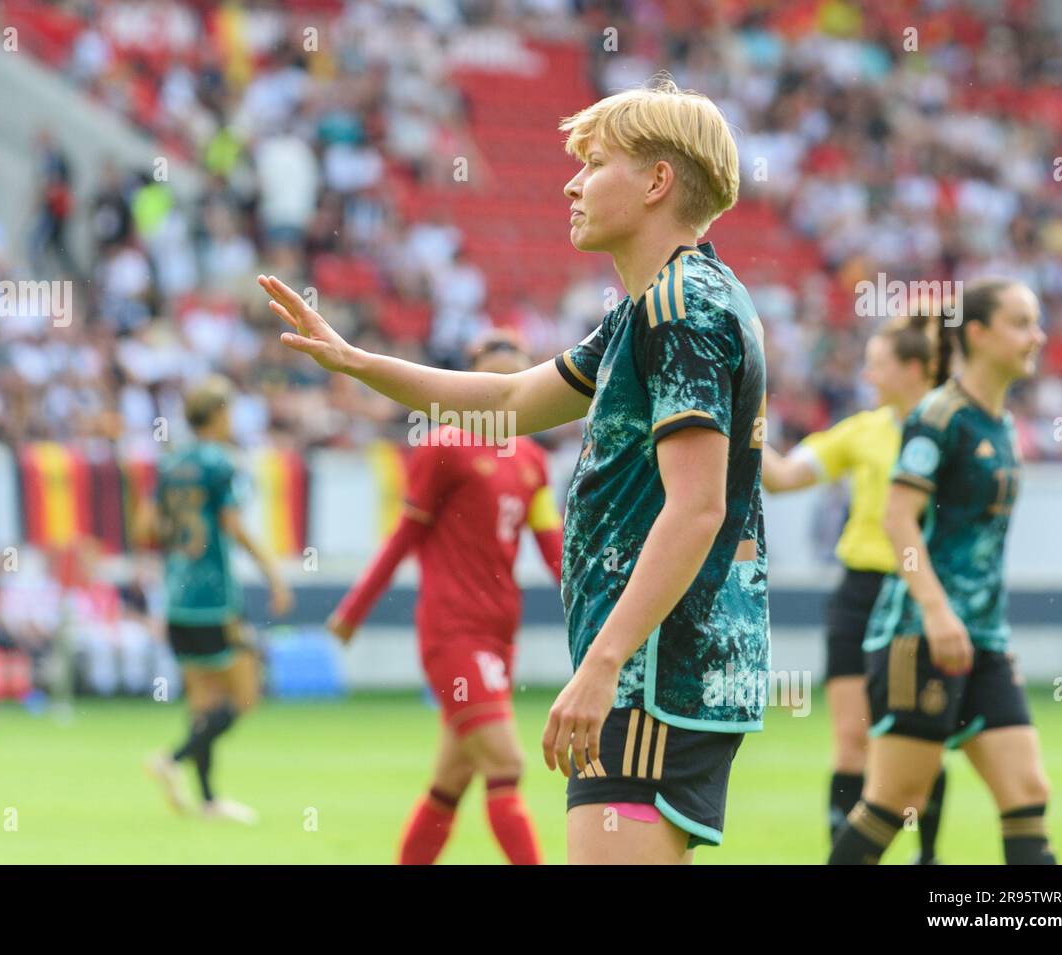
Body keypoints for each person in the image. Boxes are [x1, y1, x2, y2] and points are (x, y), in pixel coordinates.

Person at [259, 76, 767, 864]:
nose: (571, 181)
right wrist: (358, 362)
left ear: (658, 180)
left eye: (595, 163)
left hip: (651, 670)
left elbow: (696, 507)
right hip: (663, 662)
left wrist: (604, 665)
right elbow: (508, 396)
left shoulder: (679, 308)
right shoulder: (656, 307)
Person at [829, 278, 1056, 864]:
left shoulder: (1001, 423)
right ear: (976, 334)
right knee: (893, 800)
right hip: (919, 635)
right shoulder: (940, 416)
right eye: (1021, 323)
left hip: (983, 639)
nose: (1038, 336)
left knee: (1027, 794)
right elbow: (898, 522)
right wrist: (935, 609)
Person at [327, 330, 563, 865]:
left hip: (501, 633)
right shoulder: (444, 445)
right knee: (506, 763)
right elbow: (404, 537)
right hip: (452, 631)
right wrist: (354, 610)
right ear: (470, 383)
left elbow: (554, 550)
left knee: (451, 781)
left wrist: (597, 606)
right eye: (493, 380)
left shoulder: (531, 461)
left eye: (515, 381)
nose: (505, 393)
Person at [762, 313, 951, 861]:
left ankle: (928, 857)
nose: (867, 373)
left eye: (877, 363)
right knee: (851, 740)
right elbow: (782, 477)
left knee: (921, 744)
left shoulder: (949, 431)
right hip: (859, 595)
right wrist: (740, 414)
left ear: (914, 369)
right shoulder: (862, 430)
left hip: (920, 597)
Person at [144, 376, 294, 823]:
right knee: (245, 694)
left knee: (205, 702)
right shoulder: (221, 463)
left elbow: (146, 527)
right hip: (214, 598)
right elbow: (233, 527)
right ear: (219, 414)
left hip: (175, 596)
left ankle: (208, 799)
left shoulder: (171, 464)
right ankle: (171, 759)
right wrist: (273, 574)